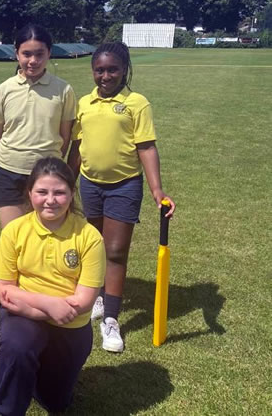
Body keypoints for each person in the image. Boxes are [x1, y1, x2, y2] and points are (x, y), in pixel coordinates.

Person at [67, 42, 176, 353]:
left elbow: (146, 147)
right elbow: (77, 147)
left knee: (115, 252)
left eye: (112, 69)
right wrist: (66, 182)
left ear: (125, 69)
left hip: (124, 186)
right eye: (99, 70)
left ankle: (111, 320)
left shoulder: (136, 103)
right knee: (94, 246)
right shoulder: (84, 102)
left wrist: (157, 190)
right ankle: (99, 296)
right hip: (90, 184)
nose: (105, 75)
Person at [0, 157, 105, 415]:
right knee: (17, 346)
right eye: (42, 192)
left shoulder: (89, 237)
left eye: (59, 192)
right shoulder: (14, 231)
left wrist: (38, 306)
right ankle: (7, 408)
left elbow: (84, 301)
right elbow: (3, 291)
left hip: (70, 324)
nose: (50, 200)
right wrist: (47, 305)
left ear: (72, 193)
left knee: (55, 401)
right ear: (29, 193)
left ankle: (36, 377)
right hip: (25, 316)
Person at [0, 24, 77, 229]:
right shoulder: (4, 89)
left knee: (47, 239)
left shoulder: (63, 90)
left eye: (39, 54)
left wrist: (49, 160)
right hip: (9, 170)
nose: (33, 61)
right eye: (26, 54)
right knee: (12, 239)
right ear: (16, 54)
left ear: (49, 53)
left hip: (48, 175)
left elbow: (65, 136)